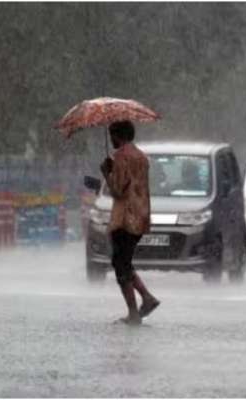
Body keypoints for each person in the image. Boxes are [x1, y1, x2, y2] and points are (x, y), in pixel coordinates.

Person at [100, 120, 160, 325]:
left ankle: (135, 311)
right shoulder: (142, 157)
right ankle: (145, 300)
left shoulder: (120, 157)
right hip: (141, 216)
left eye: (112, 136)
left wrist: (106, 173)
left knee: (120, 265)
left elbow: (117, 191)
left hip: (125, 219)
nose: (111, 140)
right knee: (122, 262)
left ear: (119, 136)